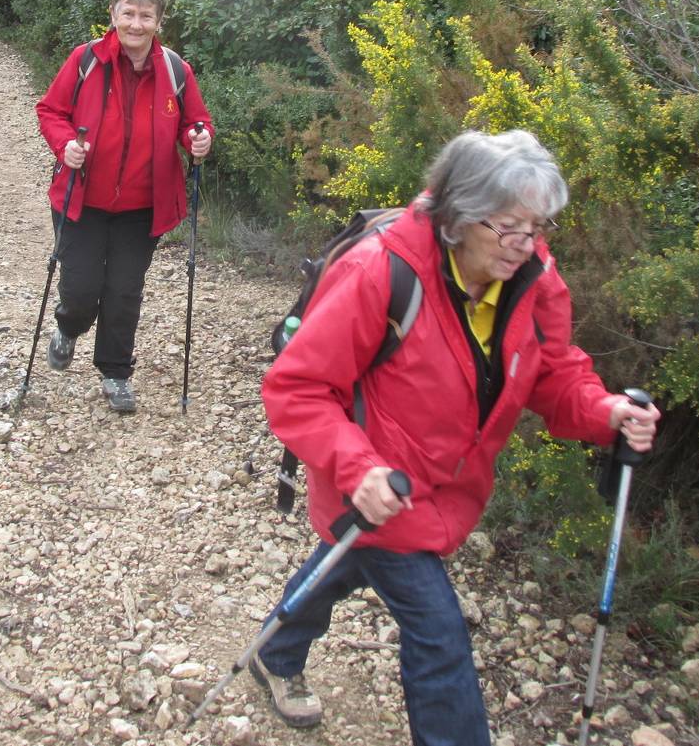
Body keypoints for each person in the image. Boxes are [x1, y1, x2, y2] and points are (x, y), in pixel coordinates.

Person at [255, 129, 661, 745]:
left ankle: (275, 652)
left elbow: (551, 372)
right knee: (439, 635)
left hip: (446, 486)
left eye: (538, 227)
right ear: (460, 216)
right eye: (508, 227)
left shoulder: (531, 274)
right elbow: (298, 387)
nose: (525, 245)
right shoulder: (382, 272)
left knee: (345, 560)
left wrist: (603, 410)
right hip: (376, 482)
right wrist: (358, 468)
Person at [35, 0, 214, 414]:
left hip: (141, 208)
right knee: (80, 289)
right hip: (82, 199)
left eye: (146, 15)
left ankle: (116, 373)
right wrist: (66, 145)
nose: (136, 23)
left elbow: (197, 122)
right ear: (113, 14)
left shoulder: (175, 70)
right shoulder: (86, 60)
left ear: (159, 21)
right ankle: (68, 326)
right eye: (128, 13)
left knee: (123, 291)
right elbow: (50, 110)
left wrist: (199, 139)